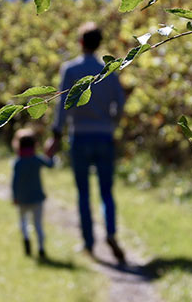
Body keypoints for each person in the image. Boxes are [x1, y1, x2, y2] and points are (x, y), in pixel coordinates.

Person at [46, 21, 126, 264]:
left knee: (83, 192)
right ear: (100, 43)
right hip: (104, 135)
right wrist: (112, 124)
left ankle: (89, 242)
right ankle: (110, 232)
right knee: (106, 192)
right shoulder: (108, 71)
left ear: (80, 43)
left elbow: (62, 107)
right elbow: (120, 103)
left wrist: (56, 136)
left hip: (79, 136)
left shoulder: (70, 70)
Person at [11, 128, 55, 259]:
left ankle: (26, 240)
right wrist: (50, 153)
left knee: (23, 222)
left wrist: (14, 197)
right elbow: (51, 164)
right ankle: (41, 248)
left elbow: (14, 183)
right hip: (37, 198)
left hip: (22, 199)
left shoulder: (18, 163)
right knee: (38, 225)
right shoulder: (37, 159)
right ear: (35, 144)